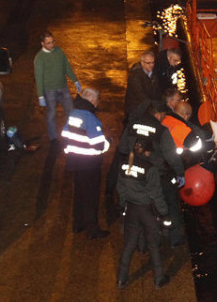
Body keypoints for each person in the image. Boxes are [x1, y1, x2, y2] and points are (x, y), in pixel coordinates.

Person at [116, 102, 186, 247]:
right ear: (158, 114)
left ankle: (141, 242)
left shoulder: (132, 125)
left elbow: (122, 148)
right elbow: (172, 157)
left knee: (138, 205)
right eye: (164, 115)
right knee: (171, 203)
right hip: (158, 175)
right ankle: (173, 238)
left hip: (134, 173)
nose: (164, 118)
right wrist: (180, 173)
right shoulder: (161, 131)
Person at [116, 135, 171, 290]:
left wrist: (122, 206)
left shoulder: (123, 164)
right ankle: (159, 279)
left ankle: (121, 279)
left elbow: (120, 189)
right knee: (153, 244)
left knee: (129, 244)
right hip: (147, 211)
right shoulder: (150, 169)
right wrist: (164, 213)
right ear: (147, 152)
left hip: (131, 209)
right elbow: (156, 194)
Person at [62, 87, 110, 239]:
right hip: (90, 164)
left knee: (79, 195)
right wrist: (108, 142)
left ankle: (78, 224)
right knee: (91, 197)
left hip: (75, 161)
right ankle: (93, 230)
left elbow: (64, 135)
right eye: (96, 101)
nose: (96, 104)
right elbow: (99, 145)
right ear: (91, 101)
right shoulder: (90, 118)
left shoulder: (73, 113)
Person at [34, 30, 81, 144]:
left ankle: (72, 134)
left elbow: (67, 67)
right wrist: (40, 95)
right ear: (42, 44)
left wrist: (75, 80)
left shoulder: (59, 51)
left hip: (63, 87)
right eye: (48, 43)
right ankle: (53, 138)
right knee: (51, 114)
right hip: (49, 90)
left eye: (52, 41)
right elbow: (39, 78)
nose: (52, 45)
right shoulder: (39, 58)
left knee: (71, 111)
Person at [123, 50, 160, 122]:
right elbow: (140, 95)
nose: (151, 65)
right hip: (135, 108)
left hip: (146, 106)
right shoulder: (135, 76)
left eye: (153, 62)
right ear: (142, 63)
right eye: (148, 63)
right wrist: (154, 110)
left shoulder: (153, 73)